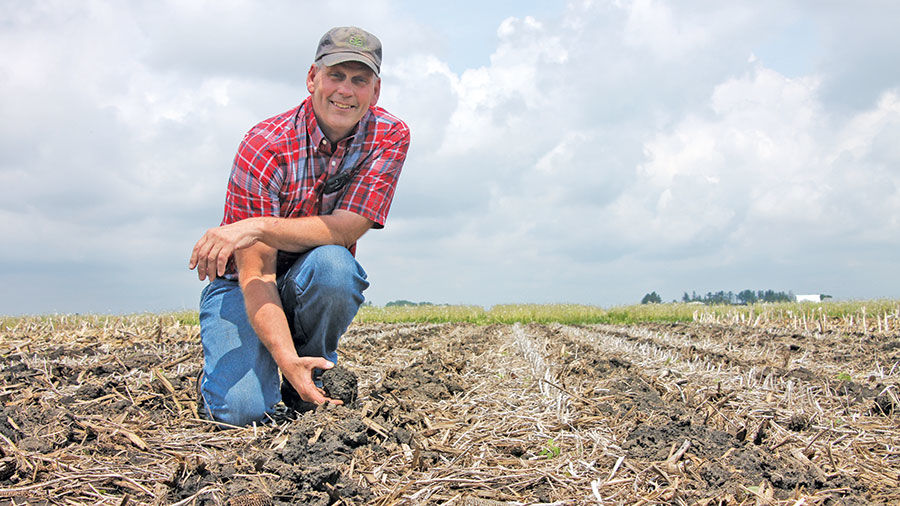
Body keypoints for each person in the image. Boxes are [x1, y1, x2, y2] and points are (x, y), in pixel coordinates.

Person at [188, 26, 410, 426]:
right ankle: (248, 373)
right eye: (335, 76)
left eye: (360, 80)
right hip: (246, 284)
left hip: (312, 277)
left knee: (334, 265)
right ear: (312, 78)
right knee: (242, 412)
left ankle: (309, 373)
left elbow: (345, 231)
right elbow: (258, 271)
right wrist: (283, 358)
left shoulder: (389, 136)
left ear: (375, 92)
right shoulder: (264, 145)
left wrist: (255, 226)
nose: (346, 90)